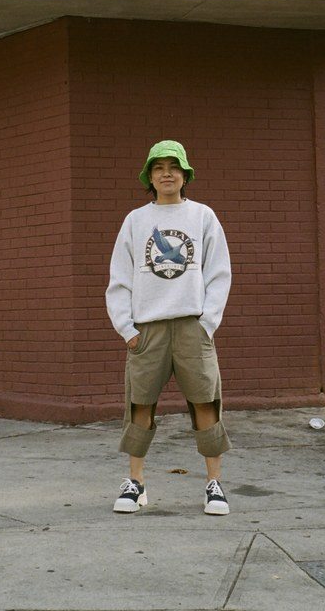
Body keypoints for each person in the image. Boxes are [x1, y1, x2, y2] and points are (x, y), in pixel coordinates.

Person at [106, 140, 232, 515]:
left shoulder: (203, 217)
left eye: (174, 167)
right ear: (149, 176)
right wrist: (127, 328)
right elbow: (119, 279)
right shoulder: (136, 221)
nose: (166, 173)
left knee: (205, 403)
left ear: (185, 174)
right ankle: (136, 483)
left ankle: (214, 485)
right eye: (159, 167)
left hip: (193, 327)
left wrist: (207, 324)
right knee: (139, 405)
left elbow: (219, 273)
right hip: (148, 331)